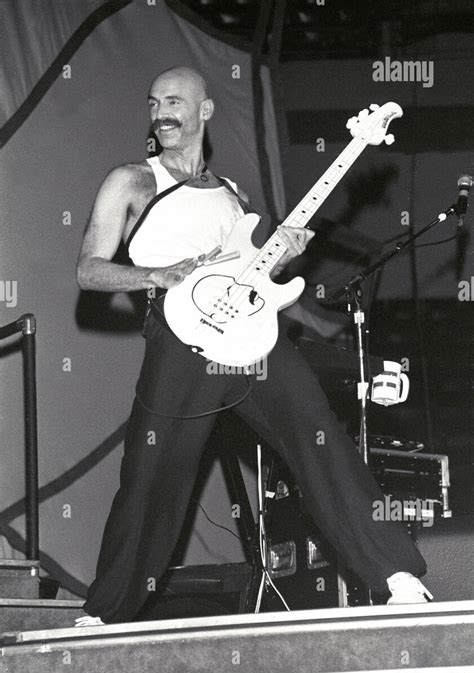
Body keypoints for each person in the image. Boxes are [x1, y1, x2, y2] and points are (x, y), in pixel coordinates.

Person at [75, 66, 431, 626]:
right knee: (149, 479)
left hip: (252, 340)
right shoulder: (131, 180)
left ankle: (396, 575)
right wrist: (157, 275)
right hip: (180, 340)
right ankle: (105, 613)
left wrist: (283, 255)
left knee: (322, 441)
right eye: (153, 102)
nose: (161, 113)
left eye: (174, 101)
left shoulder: (233, 195)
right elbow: (90, 270)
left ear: (205, 111)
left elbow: (252, 274)